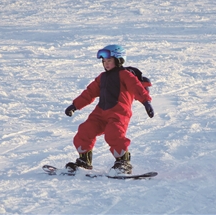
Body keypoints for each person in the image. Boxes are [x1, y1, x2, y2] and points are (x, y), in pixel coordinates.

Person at [64, 45, 154, 175]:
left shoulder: (125, 75)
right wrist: (75, 105)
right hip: (100, 112)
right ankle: (84, 161)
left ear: (119, 60)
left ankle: (123, 163)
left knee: (114, 134)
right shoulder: (102, 77)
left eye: (109, 61)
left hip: (119, 113)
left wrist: (146, 102)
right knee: (85, 130)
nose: (106, 64)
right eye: (104, 62)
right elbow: (89, 93)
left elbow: (137, 88)